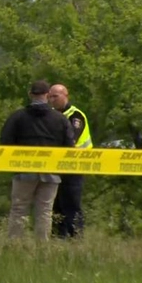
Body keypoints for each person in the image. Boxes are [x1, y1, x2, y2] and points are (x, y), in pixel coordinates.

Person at [0, 80, 75, 241]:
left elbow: (5, 141)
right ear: (47, 95)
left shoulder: (17, 117)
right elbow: (70, 146)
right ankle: (42, 248)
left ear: (30, 95)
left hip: (24, 170)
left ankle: (14, 246)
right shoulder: (60, 119)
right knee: (45, 211)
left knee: (19, 209)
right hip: (51, 172)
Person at [48, 83, 91, 238]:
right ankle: (58, 239)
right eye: (50, 96)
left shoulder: (75, 115)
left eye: (55, 96)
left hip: (74, 166)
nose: (52, 100)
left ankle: (76, 238)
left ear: (66, 95)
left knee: (71, 205)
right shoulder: (52, 116)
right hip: (57, 167)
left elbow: (71, 139)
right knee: (56, 207)